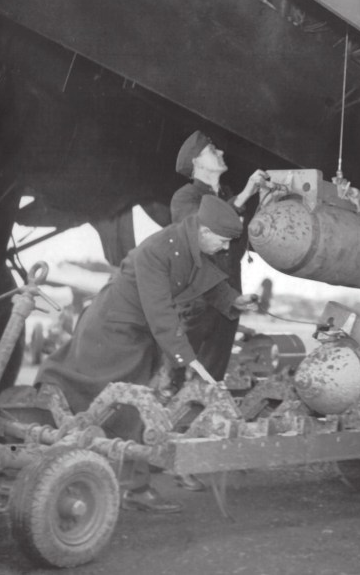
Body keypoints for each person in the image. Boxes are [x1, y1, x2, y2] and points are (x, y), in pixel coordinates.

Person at [37, 196, 258, 513]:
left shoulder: (187, 243)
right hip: (113, 332)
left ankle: (123, 482)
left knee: (134, 406)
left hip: (134, 334)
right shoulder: (160, 249)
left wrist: (234, 301)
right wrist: (189, 359)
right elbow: (161, 314)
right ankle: (103, 481)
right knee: (124, 405)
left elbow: (206, 283)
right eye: (223, 241)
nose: (225, 248)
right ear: (205, 230)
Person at [170, 131, 269, 382]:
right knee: (175, 378)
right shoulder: (185, 197)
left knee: (211, 379)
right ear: (197, 163)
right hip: (198, 299)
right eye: (213, 151)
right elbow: (206, 227)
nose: (222, 152)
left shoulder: (226, 194)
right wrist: (246, 194)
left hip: (230, 298)